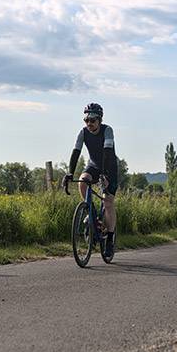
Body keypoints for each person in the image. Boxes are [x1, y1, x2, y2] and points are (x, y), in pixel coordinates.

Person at [63, 103, 118, 258]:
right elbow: (76, 152)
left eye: (92, 120)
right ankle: (91, 213)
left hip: (110, 168)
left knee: (108, 202)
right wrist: (69, 173)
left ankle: (109, 240)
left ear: (99, 120)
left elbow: (107, 152)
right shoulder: (83, 133)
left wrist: (105, 175)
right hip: (93, 166)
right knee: (82, 180)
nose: (89, 123)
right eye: (86, 120)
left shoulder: (107, 130)